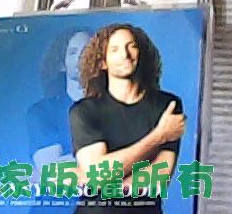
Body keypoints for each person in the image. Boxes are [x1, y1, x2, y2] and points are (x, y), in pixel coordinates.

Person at [69, 24, 185, 213]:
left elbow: (159, 178)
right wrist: (158, 136)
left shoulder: (167, 105)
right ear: (102, 62)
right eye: (115, 49)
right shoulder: (85, 111)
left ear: (141, 54)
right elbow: (98, 174)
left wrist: (105, 183)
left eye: (132, 46)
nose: (125, 54)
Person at [27, 28, 94, 178]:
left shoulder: (119, 108)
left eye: (88, 51)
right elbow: (51, 169)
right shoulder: (42, 112)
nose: (82, 58)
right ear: (62, 64)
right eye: (73, 52)